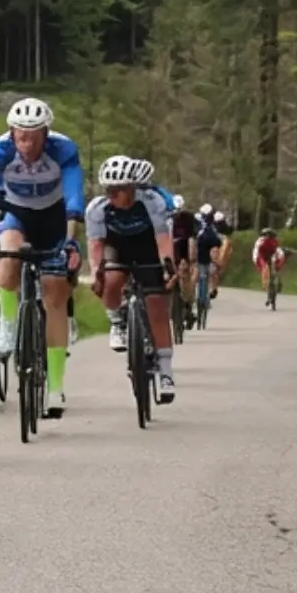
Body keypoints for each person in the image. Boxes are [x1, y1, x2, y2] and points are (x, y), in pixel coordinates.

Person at [0, 97, 84, 418]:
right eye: (21, 135)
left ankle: (55, 388)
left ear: (46, 133)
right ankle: (8, 326)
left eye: (34, 135)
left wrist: (70, 241)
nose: (27, 142)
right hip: (16, 215)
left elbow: (74, 197)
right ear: (11, 133)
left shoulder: (63, 150)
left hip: (53, 219)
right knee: (9, 252)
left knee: (55, 294)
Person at [86, 154, 178, 405]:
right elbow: (96, 245)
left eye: (117, 190)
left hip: (148, 247)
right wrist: (96, 272)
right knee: (111, 279)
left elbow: (163, 239)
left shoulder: (152, 201)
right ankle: (118, 321)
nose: (112, 195)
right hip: (117, 247)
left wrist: (168, 267)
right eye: (108, 190)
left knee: (157, 306)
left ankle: (166, 372)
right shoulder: (98, 208)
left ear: (132, 189)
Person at [168, 193, 200, 326]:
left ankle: (188, 302)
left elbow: (193, 237)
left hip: (184, 247)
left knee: (185, 273)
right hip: (168, 246)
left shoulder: (188, 218)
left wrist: (190, 259)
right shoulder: (163, 216)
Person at [195, 206, 223, 305]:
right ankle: (204, 298)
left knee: (203, 276)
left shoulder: (199, 227)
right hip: (208, 256)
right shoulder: (212, 229)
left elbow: (196, 240)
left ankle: (201, 297)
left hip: (201, 255)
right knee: (207, 276)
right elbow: (218, 242)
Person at [253, 227, 287, 297]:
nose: (267, 237)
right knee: (265, 267)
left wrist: (280, 259)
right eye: (265, 235)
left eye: (270, 236)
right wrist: (258, 263)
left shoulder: (275, 242)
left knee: (278, 265)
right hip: (261, 255)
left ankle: (278, 282)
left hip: (271, 255)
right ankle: (266, 284)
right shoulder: (260, 241)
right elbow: (256, 253)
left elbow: (279, 252)